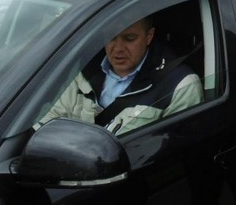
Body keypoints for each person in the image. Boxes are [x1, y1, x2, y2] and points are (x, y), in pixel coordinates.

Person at [37, 16, 204, 135]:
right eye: (111, 37)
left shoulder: (180, 86)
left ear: (149, 36)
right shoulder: (83, 69)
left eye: (129, 38)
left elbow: (171, 157)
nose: (118, 48)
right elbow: (47, 122)